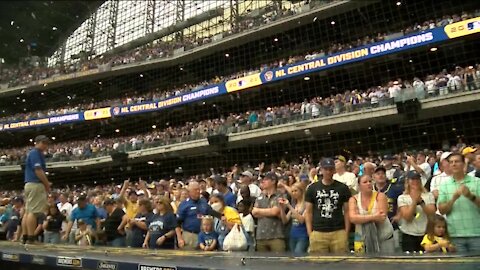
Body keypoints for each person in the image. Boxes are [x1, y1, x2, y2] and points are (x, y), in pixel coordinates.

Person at [305, 158, 351, 254]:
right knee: (318, 264)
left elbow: (347, 211)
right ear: (321, 170)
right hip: (318, 232)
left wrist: (346, 232)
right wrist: (310, 233)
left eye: (330, 169)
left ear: (334, 170)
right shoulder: (312, 188)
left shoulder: (343, 188)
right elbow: (308, 212)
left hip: (338, 231)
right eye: (326, 169)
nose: (328, 172)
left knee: (343, 263)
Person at [438, 153, 480, 253]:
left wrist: (470, 196)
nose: (454, 164)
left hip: (477, 234)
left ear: (463, 164)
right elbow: (441, 210)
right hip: (455, 235)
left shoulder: (477, 182)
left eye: (457, 161)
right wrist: (453, 199)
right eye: (451, 162)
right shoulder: (444, 185)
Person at [349, 175, 394, 253]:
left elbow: (381, 217)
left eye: (370, 181)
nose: (369, 184)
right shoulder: (354, 199)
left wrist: (361, 218)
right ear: (359, 185)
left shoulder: (380, 196)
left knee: (387, 263)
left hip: (383, 237)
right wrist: (374, 217)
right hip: (362, 238)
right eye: (365, 182)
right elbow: (353, 218)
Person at [22, 135, 51, 244]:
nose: (45, 145)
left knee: (28, 211)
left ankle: (25, 236)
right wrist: (47, 184)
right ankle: (31, 238)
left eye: (46, 143)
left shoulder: (33, 153)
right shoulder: (35, 153)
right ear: (37, 142)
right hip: (35, 184)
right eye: (43, 143)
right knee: (33, 212)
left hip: (29, 183)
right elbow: (38, 170)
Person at [397, 171, 436, 252]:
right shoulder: (402, 198)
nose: (415, 181)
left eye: (417, 179)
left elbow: (432, 214)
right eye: (413, 179)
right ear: (408, 181)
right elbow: (407, 217)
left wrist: (421, 203)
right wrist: (414, 202)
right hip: (409, 235)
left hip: (426, 234)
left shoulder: (429, 195)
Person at [176, 181, 216, 250]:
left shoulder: (204, 202)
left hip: (205, 236)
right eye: (195, 190)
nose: (198, 191)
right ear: (189, 191)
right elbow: (177, 223)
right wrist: (180, 238)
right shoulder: (184, 205)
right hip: (190, 236)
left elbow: (212, 216)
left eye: (198, 189)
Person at [252, 172, 286, 252]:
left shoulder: (280, 195)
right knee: (262, 263)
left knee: (279, 262)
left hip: (276, 236)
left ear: (273, 181)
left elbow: (275, 211)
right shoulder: (260, 196)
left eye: (266, 180)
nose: (262, 182)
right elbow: (254, 212)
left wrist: (259, 211)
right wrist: (269, 211)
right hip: (261, 236)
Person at [279, 183, 309, 255]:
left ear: (301, 191)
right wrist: (281, 208)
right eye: (292, 191)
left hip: (302, 235)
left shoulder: (306, 204)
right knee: (293, 257)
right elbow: (285, 220)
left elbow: (302, 220)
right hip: (292, 235)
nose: (294, 193)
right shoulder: (294, 204)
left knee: (298, 255)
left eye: (296, 191)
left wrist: (289, 206)